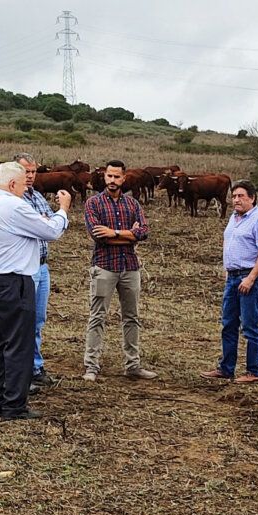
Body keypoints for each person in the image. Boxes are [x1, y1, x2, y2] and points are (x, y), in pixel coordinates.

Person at [0, 162, 71, 420]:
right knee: (19, 343)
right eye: (22, 184)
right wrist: (63, 209)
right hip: (14, 281)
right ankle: (14, 405)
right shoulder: (14, 206)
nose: (25, 188)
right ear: (13, 184)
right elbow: (51, 231)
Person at [82, 160, 156, 381]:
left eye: (117, 177)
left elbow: (143, 232)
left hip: (129, 267)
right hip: (104, 266)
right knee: (97, 317)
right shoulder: (93, 203)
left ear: (124, 178)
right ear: (104, 177)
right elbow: (98, 236)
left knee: (131, 317)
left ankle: (133, 365)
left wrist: (113, 233)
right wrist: (128, 235)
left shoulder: (133, 204)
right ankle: (91, 367)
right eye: (109, 176)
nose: (112, 181)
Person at [200, 180, 258, 384]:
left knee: (250, 325)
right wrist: (227, 270)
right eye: (234, 196)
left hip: (248, 276)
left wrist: (251, 278)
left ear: (252, 198)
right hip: (232, 277)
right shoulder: (234, 218)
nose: (236, 200)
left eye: (241, 196)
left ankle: (254, 371)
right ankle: (226, 368)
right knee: (228, 324)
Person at [14, 152, 66, 388]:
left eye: (34, 171)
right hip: (24, 268)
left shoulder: (37, 197)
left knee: (37, 319)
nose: (31, 176)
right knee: (22, 319)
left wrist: (48, 222)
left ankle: (34, 367)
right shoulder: (14, 201)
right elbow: (47, 226)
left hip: (42, 266)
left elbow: (52, 228)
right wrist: (49, 221)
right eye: (26, 171)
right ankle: (22, 371)